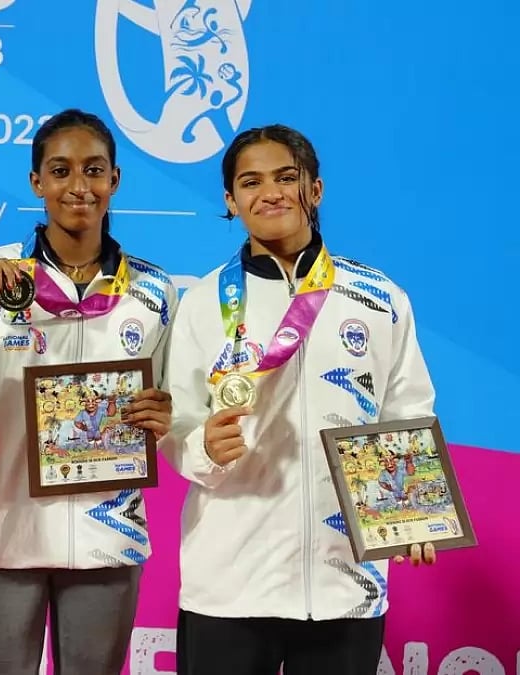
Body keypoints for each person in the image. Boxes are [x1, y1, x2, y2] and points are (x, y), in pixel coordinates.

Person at [160, 124, 437, 675]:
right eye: (251, 181)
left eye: (287, 177)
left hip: (345, 585)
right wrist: (203, 448)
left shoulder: (379, 298)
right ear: (230, 201)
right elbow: (177, 424)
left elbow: (408, 412)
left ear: (315, 189)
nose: (271, 192)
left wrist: (415, 514)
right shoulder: (200, 302)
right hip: (230, 583)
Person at [0, 109, 177, 674]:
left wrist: (169, 414)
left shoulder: (154, 291)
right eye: (61, 170)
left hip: (107, 533)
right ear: (36, 182)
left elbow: (174, 413)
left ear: (115, 180)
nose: (79, 186)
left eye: (94, 170)